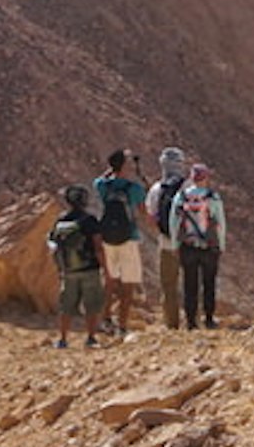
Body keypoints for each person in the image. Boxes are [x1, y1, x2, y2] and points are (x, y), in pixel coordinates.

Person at [91, 149, 148, 338]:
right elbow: (142, 211)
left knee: (109, 281)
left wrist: (112, 170)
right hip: (129, 238)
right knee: (128, 284)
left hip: (108, 238)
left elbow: (98, 180)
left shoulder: (103, 185)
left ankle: (105, 319)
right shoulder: (135, 189)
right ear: (124, 165)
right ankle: (122, 326)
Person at [46, 184, 107, 350]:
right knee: (91, 304)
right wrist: (105, 268)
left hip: (69, 270)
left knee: (67, 306)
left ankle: (63, 339)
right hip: (89, 269)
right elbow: (98, 246)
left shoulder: (61, 221)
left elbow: (53, 244)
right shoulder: (90, 220)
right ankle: (91, 338)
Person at [170, 163, 228, 329]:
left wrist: (175, 244)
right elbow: (220, 223)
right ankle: (209, 318)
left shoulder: (181, 197)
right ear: (206, 178)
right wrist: (221, 244)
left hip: (187, 246)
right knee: (209, 283)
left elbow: (174, 222)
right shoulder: (213, 198)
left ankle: (190, 321)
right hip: (209, 246)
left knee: (190, 284)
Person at [147, 146, 192, 330]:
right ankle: (192, 321)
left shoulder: (157, 189)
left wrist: (161, 231)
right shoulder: (190, 187)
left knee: (168, 285)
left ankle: (171, 324)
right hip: (188, 243)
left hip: (165, 243)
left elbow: (151, 215)